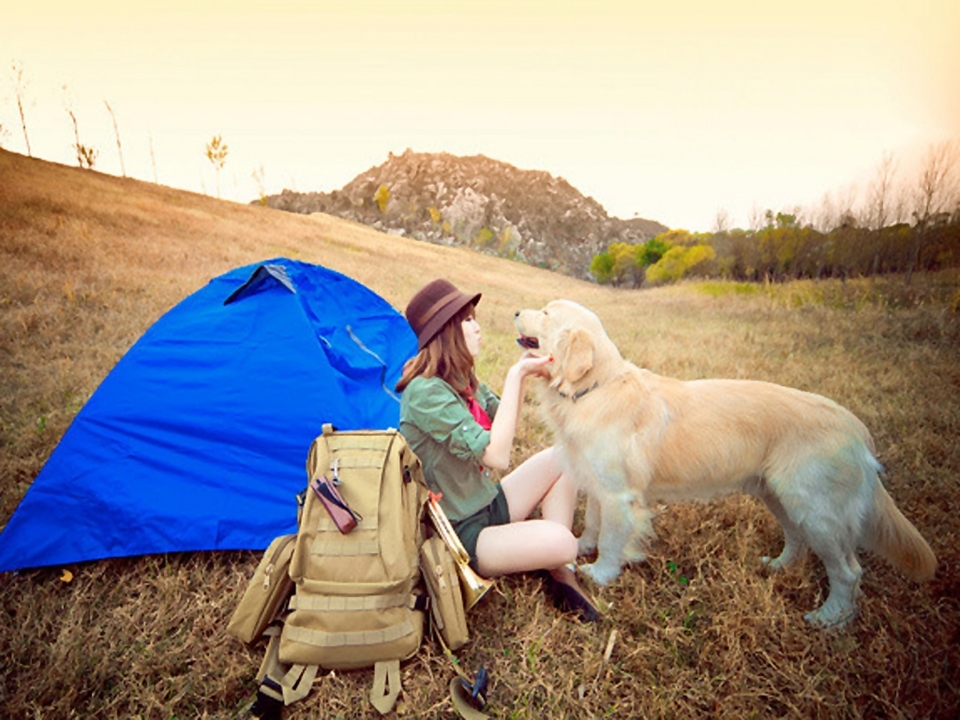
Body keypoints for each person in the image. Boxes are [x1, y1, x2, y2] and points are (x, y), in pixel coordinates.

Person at [396, 278, 599, 623]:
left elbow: (503, 418)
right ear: (446, 332)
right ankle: (553, 556)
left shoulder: (461, 378)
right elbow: (497, 457)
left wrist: (530, 369)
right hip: (463, 534)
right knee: (565, 541)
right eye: (468, 321)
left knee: (564, 456)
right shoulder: (425, 393)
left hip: (488, 503)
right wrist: (516, 374)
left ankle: (559, 571)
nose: (478, 329)